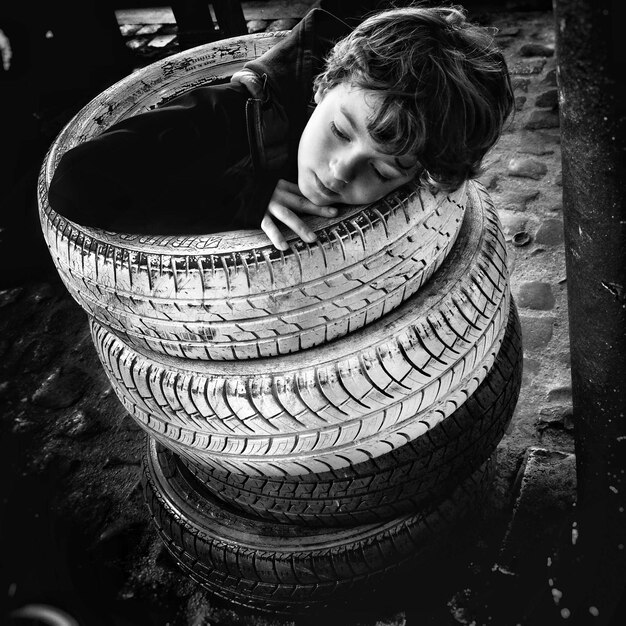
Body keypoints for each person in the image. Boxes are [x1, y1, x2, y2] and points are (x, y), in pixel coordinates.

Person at [48, 3, 514, 251]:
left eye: (386, 172)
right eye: (340, 132)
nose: (338, 173)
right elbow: (75, 183)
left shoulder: (363, 102)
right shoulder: (223, 116)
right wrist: (242, 197)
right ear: (323, 84)